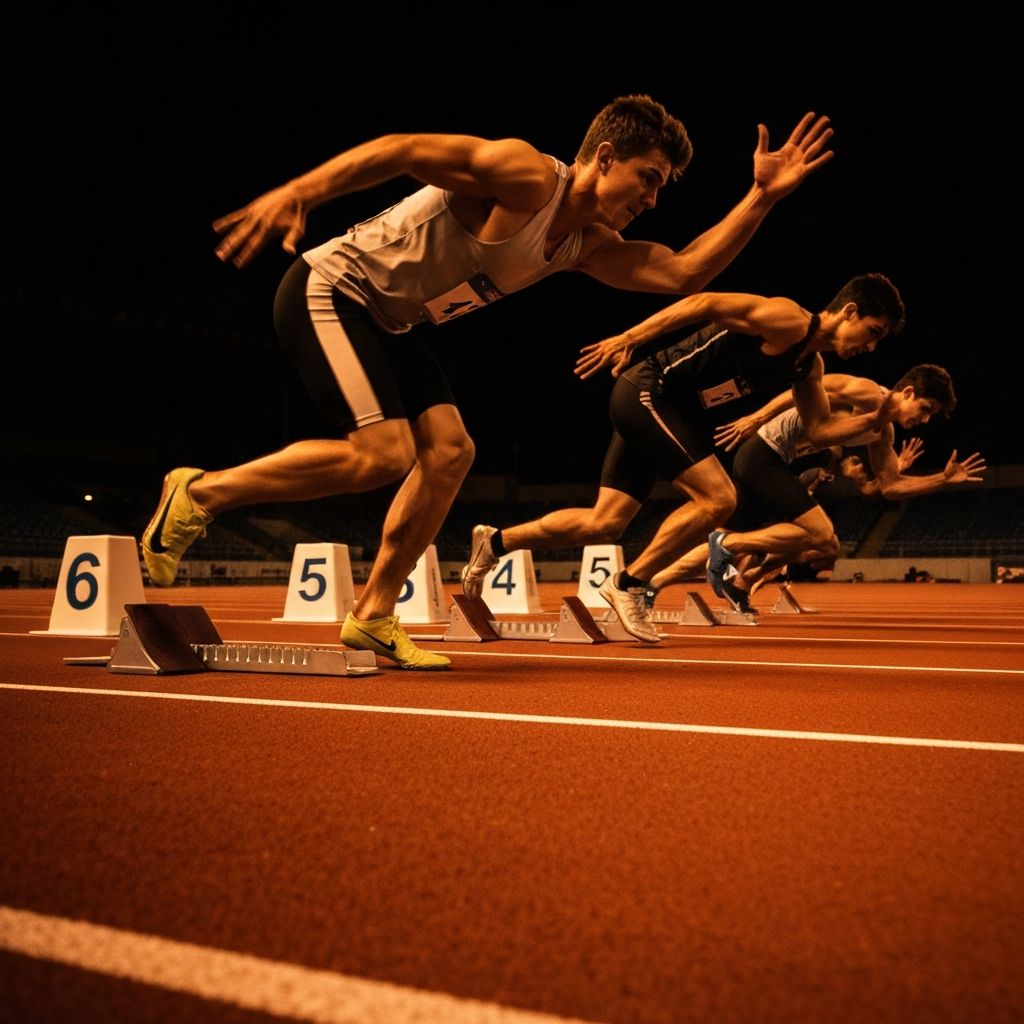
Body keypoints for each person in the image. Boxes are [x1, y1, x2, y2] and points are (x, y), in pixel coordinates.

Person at [139, 96, 834, 669]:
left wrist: (761, 198)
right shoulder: (525, 175)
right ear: (604, 157)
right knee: (381, 456)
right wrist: (299, 191)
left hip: (393, 322)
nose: (652, 200)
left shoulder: (583, 245)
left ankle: (373, 616)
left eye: (660, 188)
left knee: (450, 453)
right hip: (334, 288)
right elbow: (403, 146)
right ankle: (197, 492)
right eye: (648, 178)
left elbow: (680, 274)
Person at [461, 274, 906, 641]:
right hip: (648, 391)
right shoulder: (788, 319)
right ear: (849, 311)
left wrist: (877, 418)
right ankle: (628, 585)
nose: (871, 346)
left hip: (671, 414)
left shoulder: (809, 368)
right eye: (873, 332)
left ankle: (495, 541)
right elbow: (706, 302)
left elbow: (821, 430)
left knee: (605, 522)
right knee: (719, 499)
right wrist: (629, 337)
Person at [650, 366, 986, 608]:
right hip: (764, 454)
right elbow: (803, 386)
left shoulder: (884, 433)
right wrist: (756, 417)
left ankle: (653, 583)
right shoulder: (865, 392)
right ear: (908, 392)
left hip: (781, 467)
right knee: (822, 537)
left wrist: (941, 480)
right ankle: (730, 549)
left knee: (822, 545)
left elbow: (890, 486)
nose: (925, 421)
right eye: (925, 410)